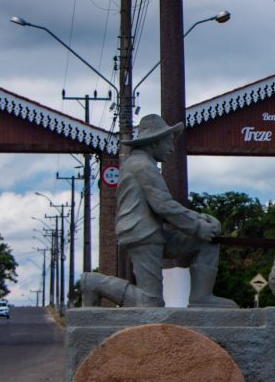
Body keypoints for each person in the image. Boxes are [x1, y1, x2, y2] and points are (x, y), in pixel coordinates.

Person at [82, 114, 237, 308]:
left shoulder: (143, 164)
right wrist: (198, 226)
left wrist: (201, 219)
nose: (171, 149)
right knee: (150, 302)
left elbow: (166, 204)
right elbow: (164, 205)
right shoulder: (142, 166)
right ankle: (95, 283)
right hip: (143, 235)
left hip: (153, 232)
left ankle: (201, 297)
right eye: (168, 143)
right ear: (154, 143)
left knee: (206, 243)